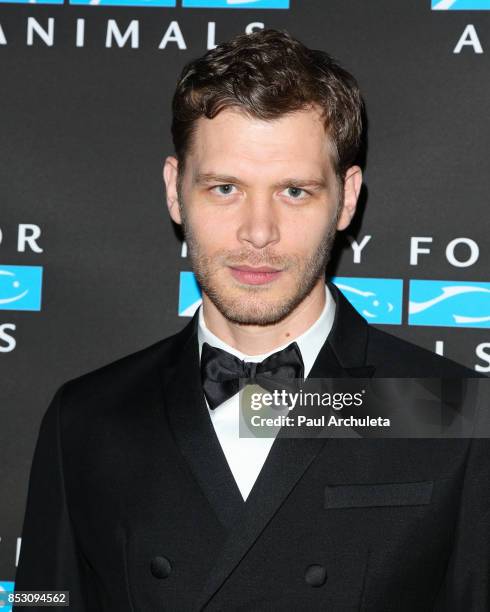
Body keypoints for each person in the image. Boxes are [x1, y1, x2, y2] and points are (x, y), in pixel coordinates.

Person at [14, 28, 489, 611]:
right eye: (224, 188)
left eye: (293, 190)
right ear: (174, 190)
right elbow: (42, 599)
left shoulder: (449, 410)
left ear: (345, 199)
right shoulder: (86, 417)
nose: (257, 232)